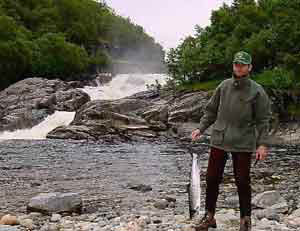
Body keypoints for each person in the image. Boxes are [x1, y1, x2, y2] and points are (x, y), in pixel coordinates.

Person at [191, 51, 271, 231]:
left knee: (242, 180)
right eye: (236, 64)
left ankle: (245, 220)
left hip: (243, 141)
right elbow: (211, 110)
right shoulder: (224, 86)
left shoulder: (257, 91)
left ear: (249, 67)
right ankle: (209, 216)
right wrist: (201, 128)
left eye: (243, 64)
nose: (239, 67)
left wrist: (263, 144)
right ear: (233, 66)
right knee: (211, 178)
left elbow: (263, 120)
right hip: (220, 138)